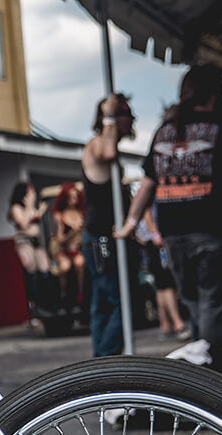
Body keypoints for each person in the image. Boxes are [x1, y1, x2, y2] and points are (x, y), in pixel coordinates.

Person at [119, 64, 222, 383]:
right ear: (216, 94)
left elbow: (147, 184)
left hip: (175, 235)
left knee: (196, 303)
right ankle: (217, 380)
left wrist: (131, 223)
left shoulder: (165, 132)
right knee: (216, 303)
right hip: (215, 232)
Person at [81, 92, 135, 357]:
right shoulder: (98, 143)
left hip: (102, 237)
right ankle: (104, 364)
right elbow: (109, 152)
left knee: (104, 304)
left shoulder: (102, 141)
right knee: (121, 303)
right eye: (125, 114)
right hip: (99, 239)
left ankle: (102, 362)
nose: (132, 118)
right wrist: (110, 115)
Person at [136, 206, 189, 340]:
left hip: (153, 238)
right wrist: (155, 233)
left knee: (161, 285)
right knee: (167, 283)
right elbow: (146, 210)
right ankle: (178, 323)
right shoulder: (151, 187)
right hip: (157, 239)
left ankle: (165, 324)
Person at [8, 181, 49, 324]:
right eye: (30, 191)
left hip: (36, 242)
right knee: (31, 271)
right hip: (24, 242)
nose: (33, 193)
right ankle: (33, 310)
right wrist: (30, 207)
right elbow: (24, 224)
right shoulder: (17, 208)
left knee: (44, 270)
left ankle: (45, 305)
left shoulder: (31, 207)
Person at [50, 182, 86, 307]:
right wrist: (74, 231)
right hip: (64, 250)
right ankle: (63, 294)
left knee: (80, 262)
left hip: (78, 249)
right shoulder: (59, 216)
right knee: (65, 266)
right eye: (70, 197)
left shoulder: (81, 214)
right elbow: (60, 240)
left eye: (75, 196)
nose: (73, 200)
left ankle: (81, 294)